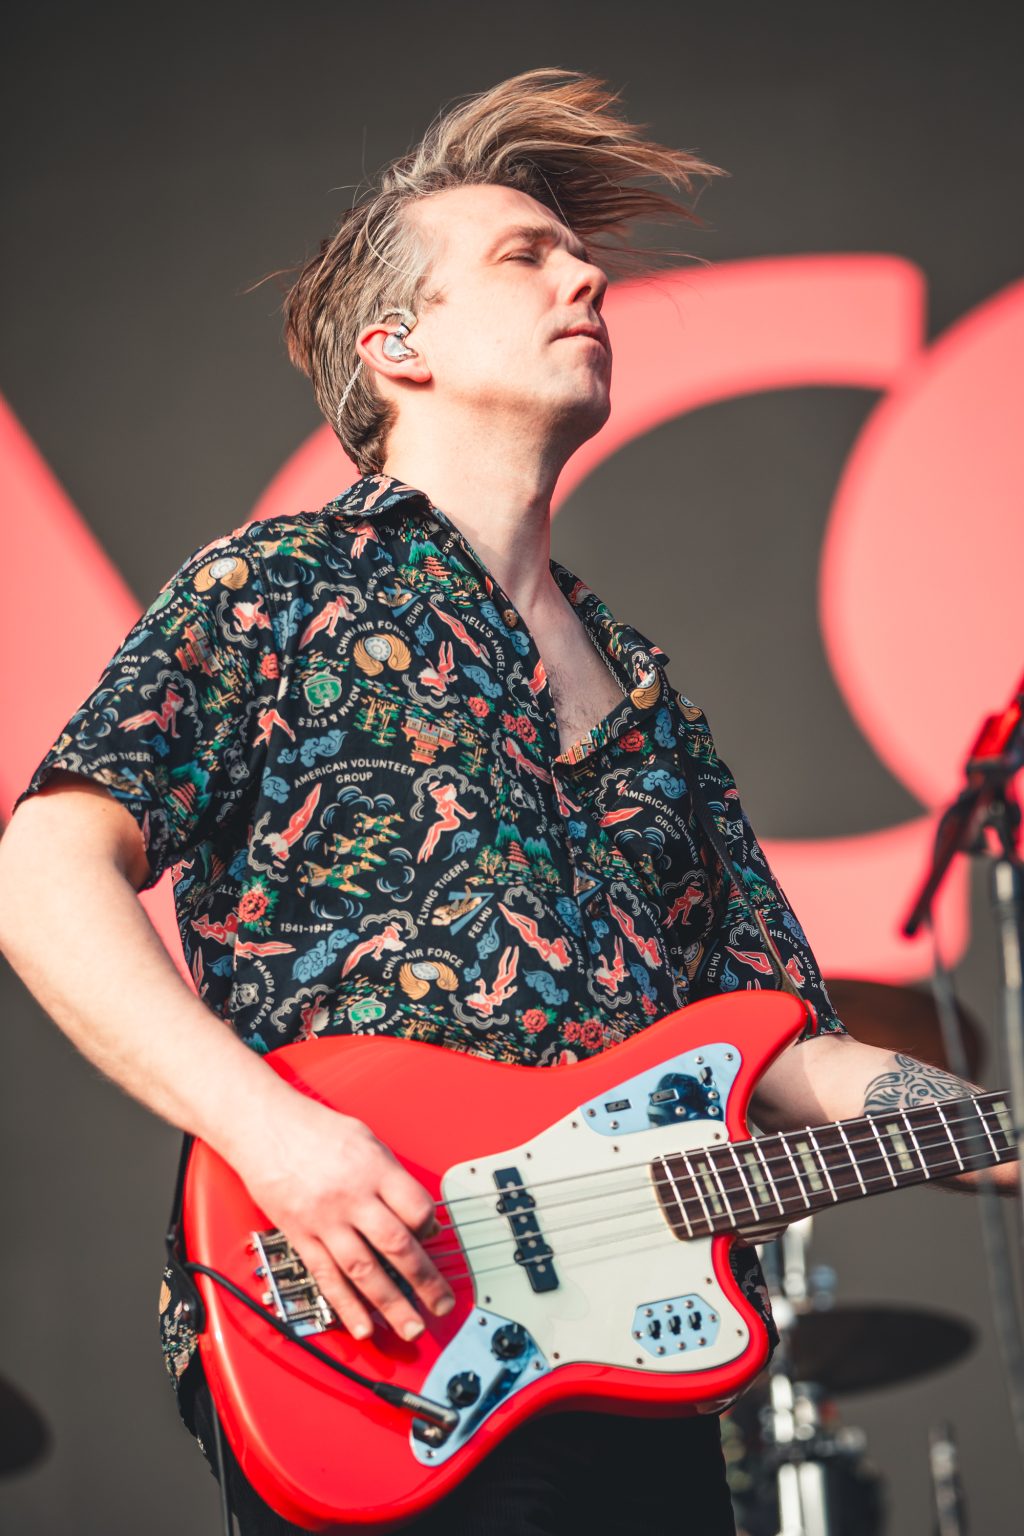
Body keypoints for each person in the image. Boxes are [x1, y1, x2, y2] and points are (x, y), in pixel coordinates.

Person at [0, 69, 1014, 1536]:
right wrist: (277, 1140)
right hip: (374, 1321)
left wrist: (984, 1129)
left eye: (575, 251)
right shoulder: (280, 585)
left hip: (630, 1351)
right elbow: (45, 864)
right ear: (398, 345)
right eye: (523, 257)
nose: (585, 274)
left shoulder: (648, 693)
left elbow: (785, 1041)